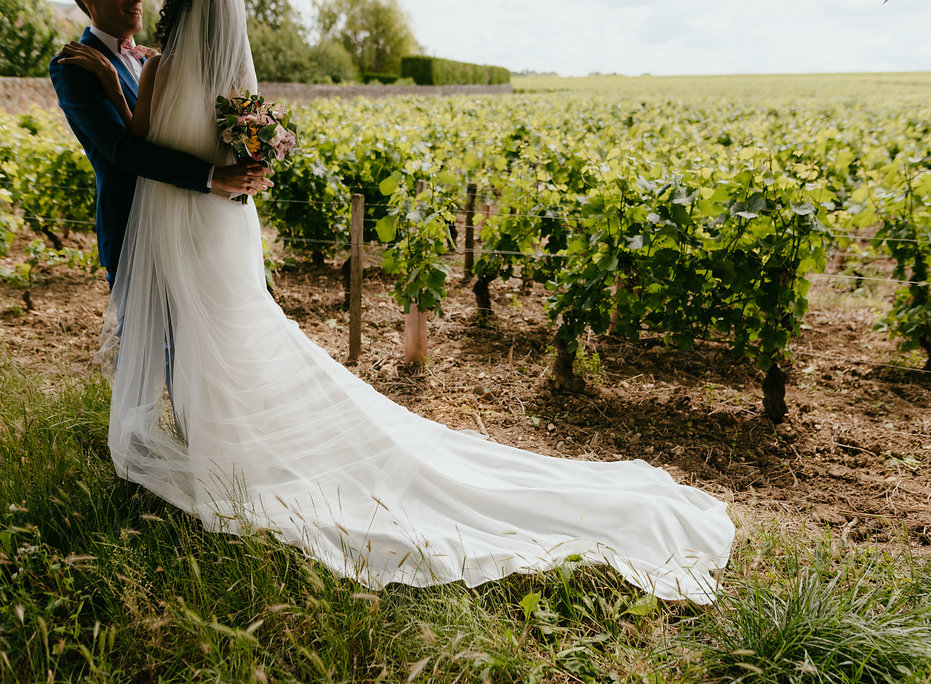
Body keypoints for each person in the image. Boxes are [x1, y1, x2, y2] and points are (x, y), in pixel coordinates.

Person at [86, 0, 735, 602]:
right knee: (234, 330)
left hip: (181, 223)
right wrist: (244, 170)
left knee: (206, 337)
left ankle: (223, 455)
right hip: (226, 222)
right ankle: (231, 448)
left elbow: (136, 152)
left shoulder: (160, 70)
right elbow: (259, 153)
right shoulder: (233, 78)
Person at [49, 0, 273, 287]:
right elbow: (123, 151)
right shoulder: (74, 65)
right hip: (135, 230)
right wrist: (214, 176)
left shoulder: (157, 62)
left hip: (202, 230)